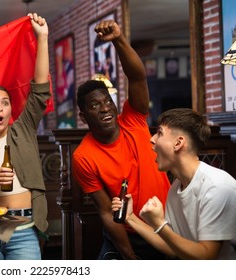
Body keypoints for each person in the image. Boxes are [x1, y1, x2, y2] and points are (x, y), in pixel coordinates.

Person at [71, 20, 171, 260]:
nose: (105, 108)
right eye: (95, 105)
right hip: (128, 235)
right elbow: (106, 211)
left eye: (107, 101)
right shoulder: (83, 156)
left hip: (167, 227)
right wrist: (130, 258)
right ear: (84, 117)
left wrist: (118, 39)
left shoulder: (133, 120)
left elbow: (137, 78)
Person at [0, 13, 49, 260]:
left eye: (5, 102)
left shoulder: (22, 130)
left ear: (11, 109)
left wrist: (42, 38)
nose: (0, 107)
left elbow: (40, 92)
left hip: (24, 228)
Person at [112, 108, 236, 259]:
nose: (152, 139)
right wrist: (130, 218)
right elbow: (174, 246)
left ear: (178, 143)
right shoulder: (176, 187)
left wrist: (158, 224)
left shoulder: (217, 187)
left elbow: (206, 257)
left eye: (160, 133)